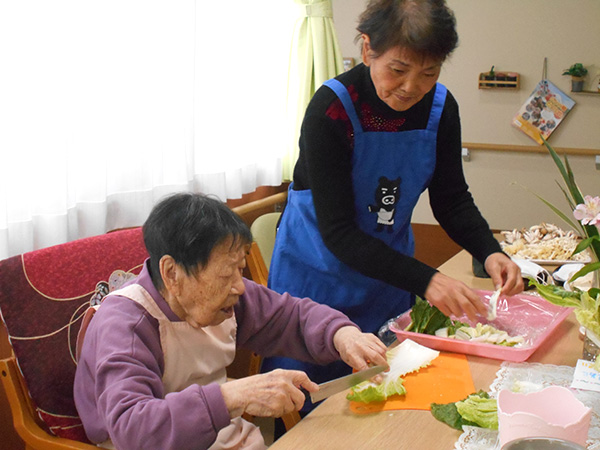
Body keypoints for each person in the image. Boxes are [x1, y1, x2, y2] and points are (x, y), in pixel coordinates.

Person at [265, 0, 523, 408]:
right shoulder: (332, 109)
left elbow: (452, 199)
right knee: (310, 407)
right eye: (398, 70)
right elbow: (339, 233)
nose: (411, 87)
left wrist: (489, 250)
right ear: (368, 49)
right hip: (313, 286)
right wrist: (428, 280)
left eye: (429, 72)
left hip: (386, 284)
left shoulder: (440, 109)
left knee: (384, 401)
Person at [73, 193, 388, 450]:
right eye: (227, 272)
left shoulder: (227, 296)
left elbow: (292, 317)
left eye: (241, 268)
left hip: (219, 436)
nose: (240, 285)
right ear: (172, 273)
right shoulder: (124, 325)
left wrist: (342, 335)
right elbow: (134, 429)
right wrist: (234, 396)